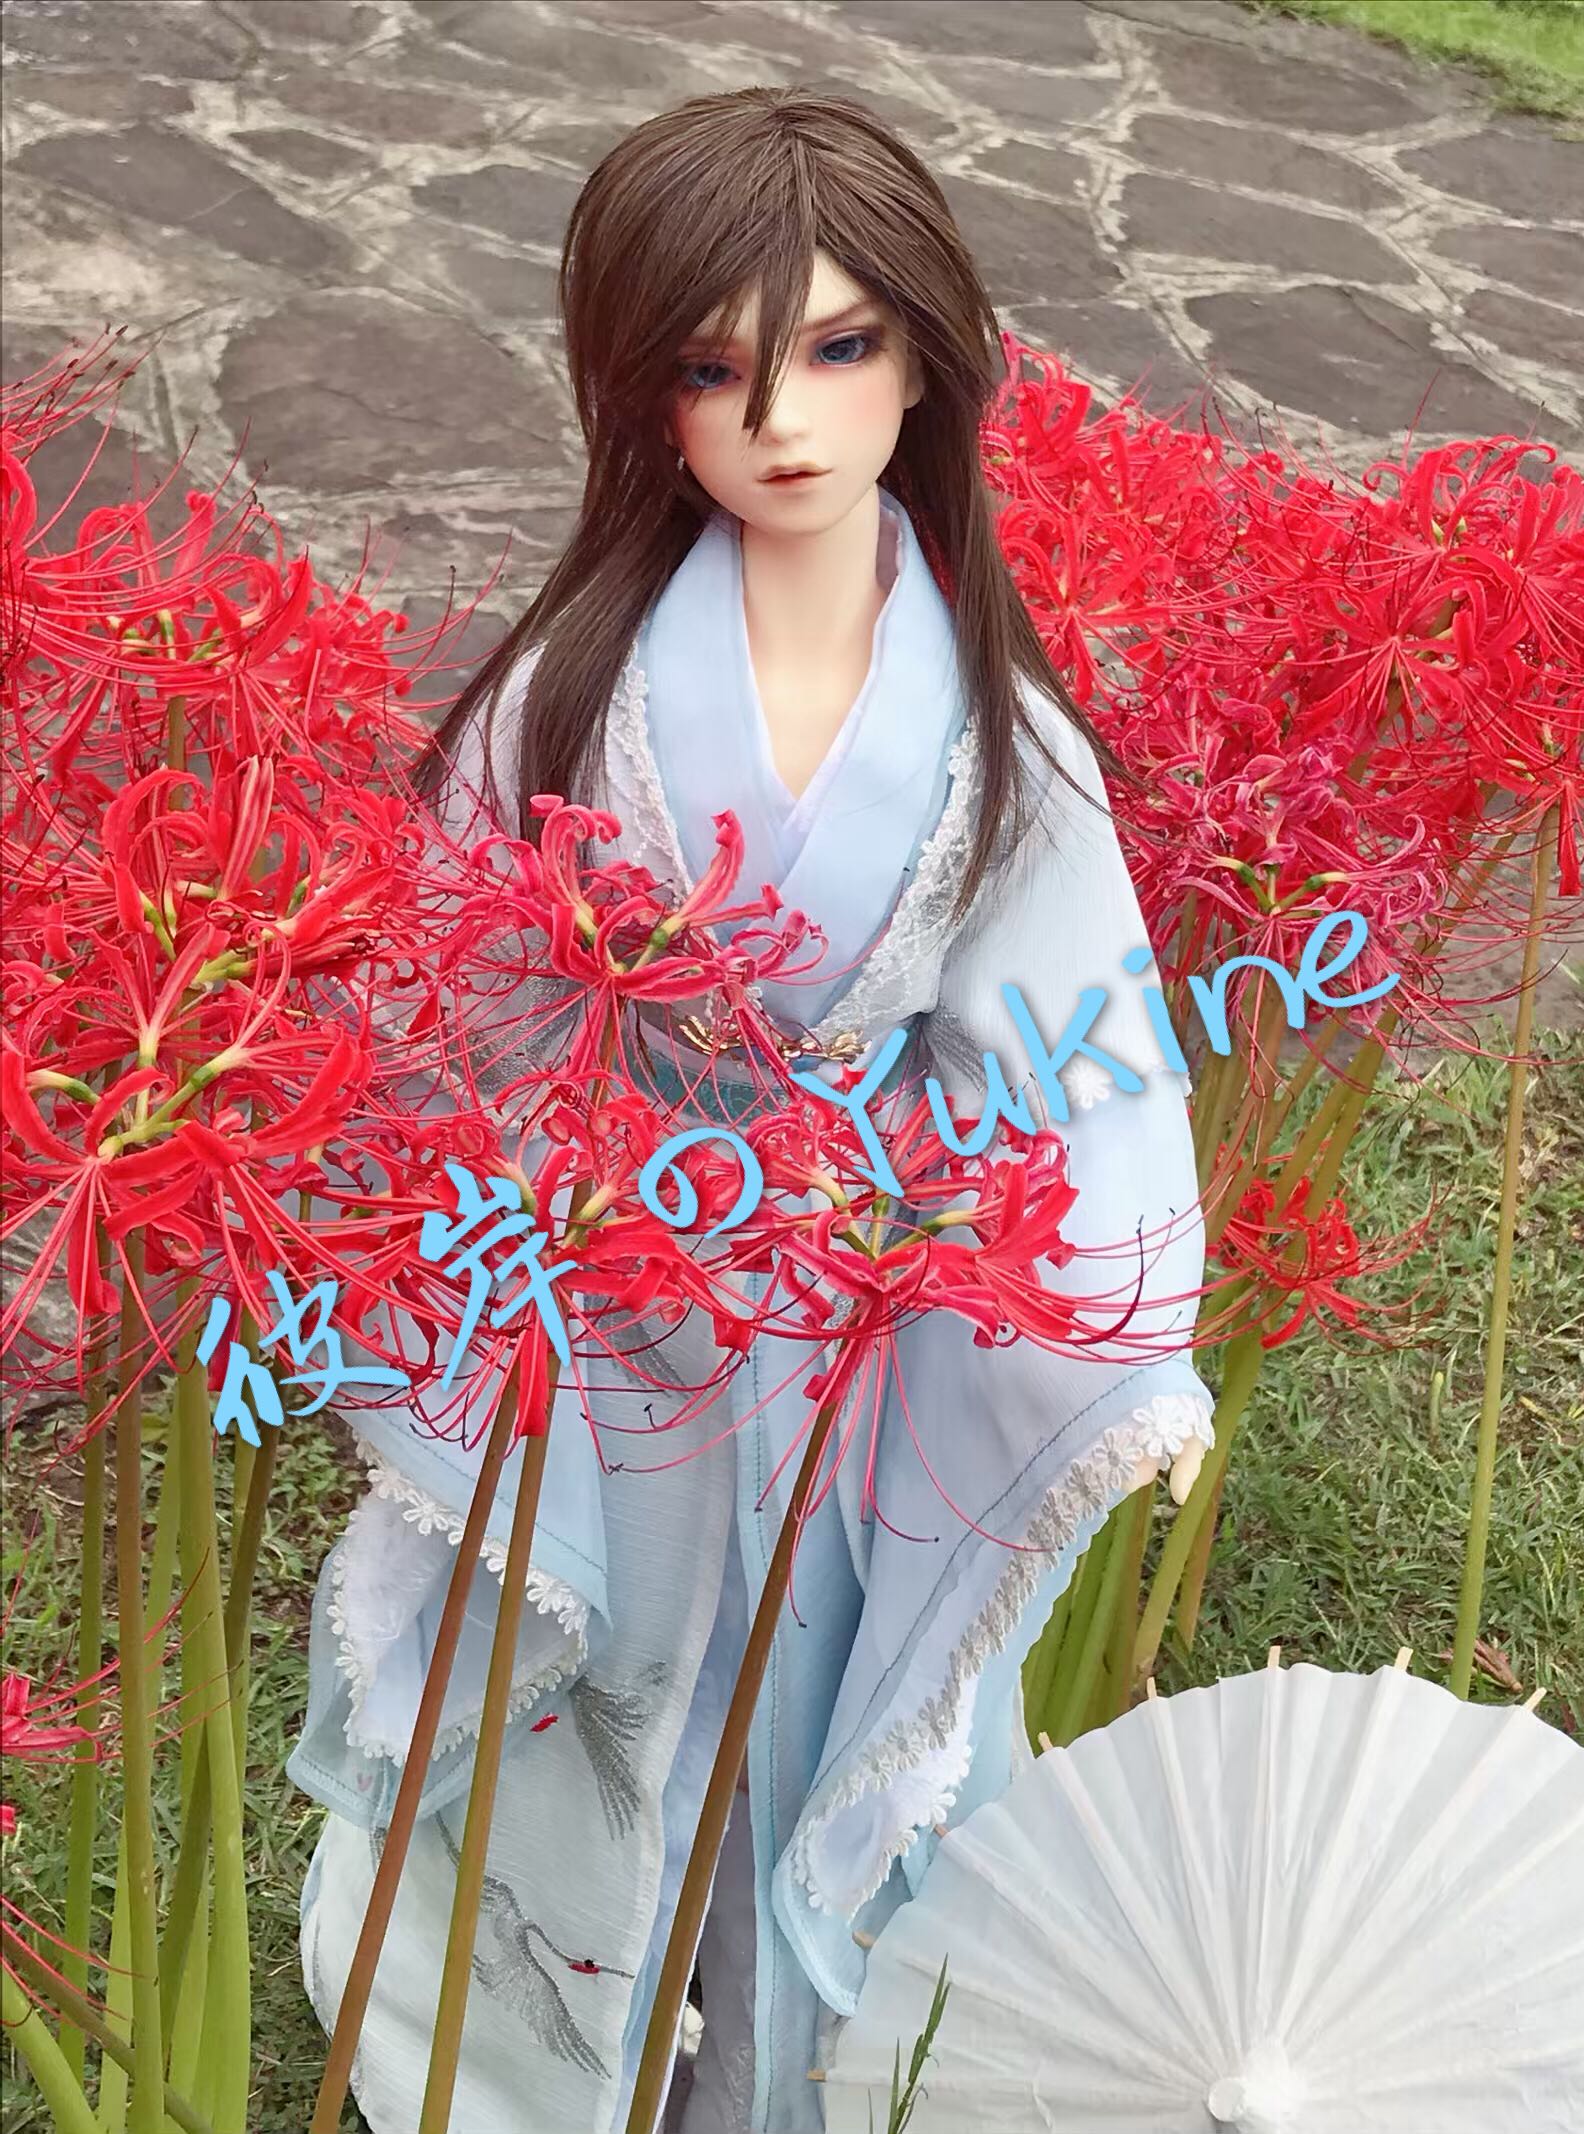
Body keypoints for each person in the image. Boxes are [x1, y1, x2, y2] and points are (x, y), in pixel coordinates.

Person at [289, 85, 1213, 2134]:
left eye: (838, 345)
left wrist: (1089, 1322)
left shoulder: (999, 731)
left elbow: (1071, 1051)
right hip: (615, 1290)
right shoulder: (572, 685)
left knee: (810, 1691)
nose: (781, 418)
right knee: (611, 1688)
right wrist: (516, 1222)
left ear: (926, 361)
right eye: (713, 369)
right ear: (645, 398)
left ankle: (803, 2077)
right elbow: (461, 1000)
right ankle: (548, 2066)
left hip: (861, 1317)